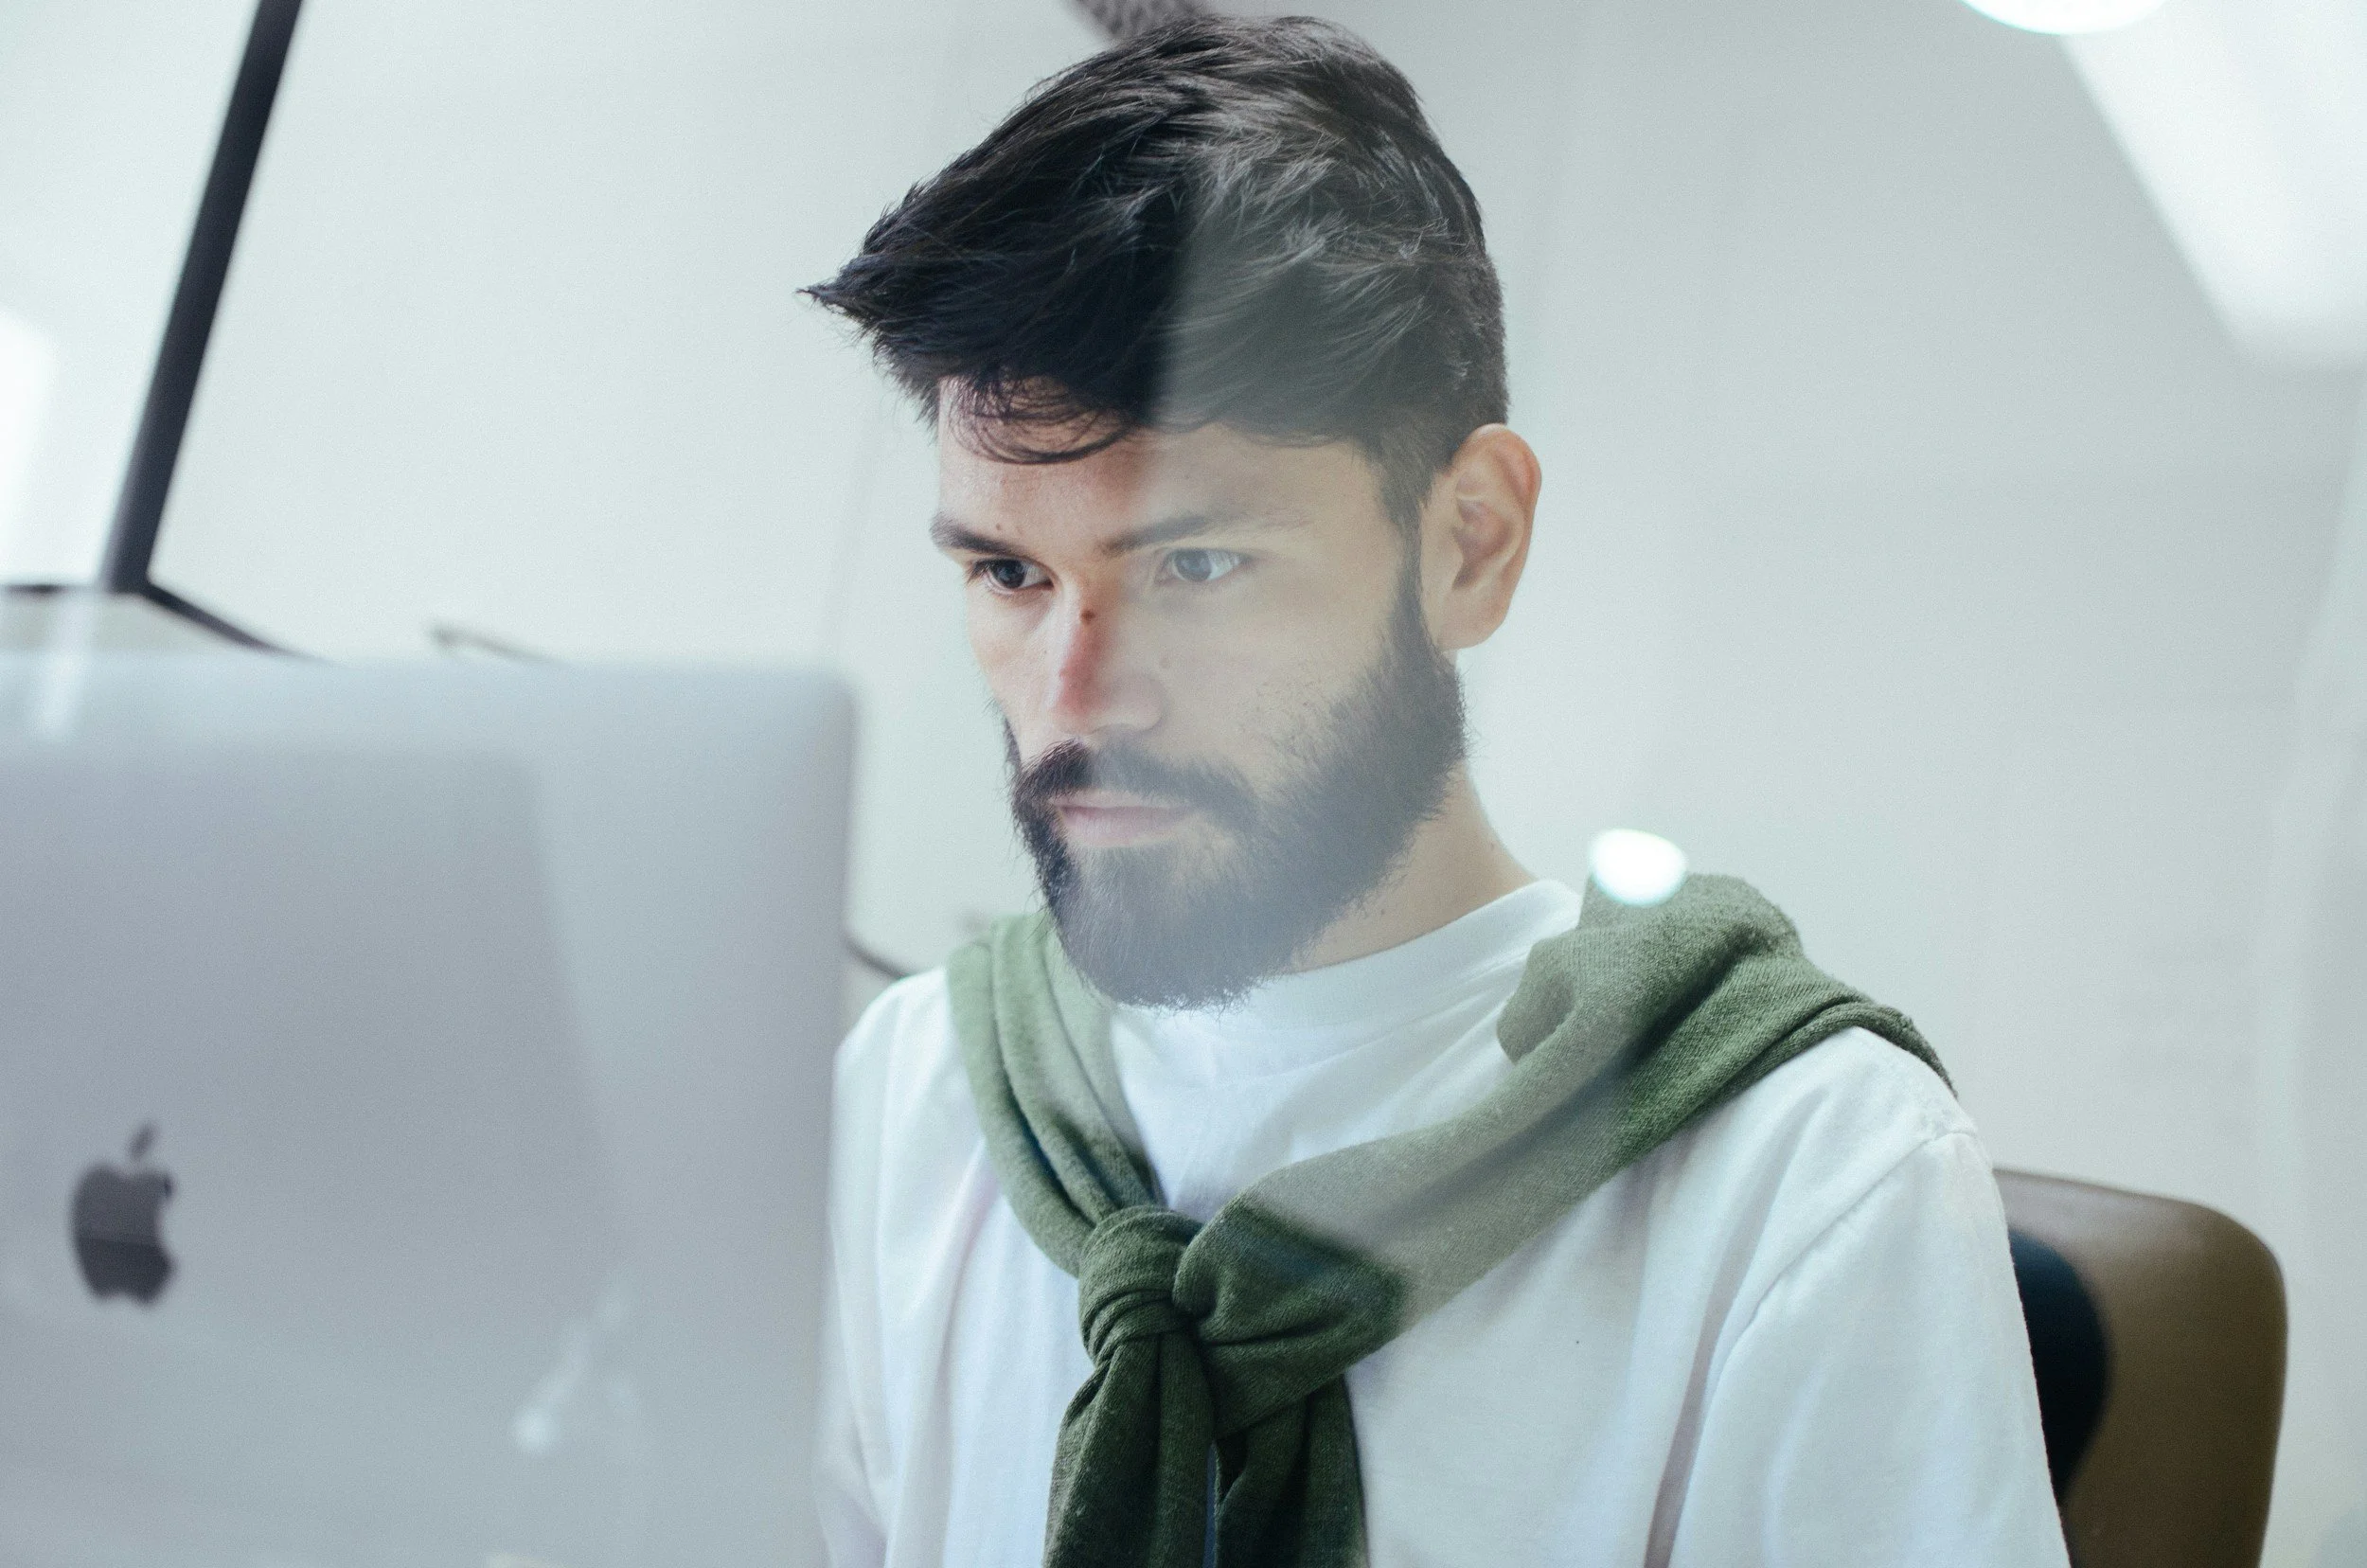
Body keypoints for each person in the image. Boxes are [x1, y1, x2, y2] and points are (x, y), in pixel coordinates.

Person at [806, 16, 2067, 1567]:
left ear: (1469, 541)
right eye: (1008, 571)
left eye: (1198, 565)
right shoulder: (913, 1095)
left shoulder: (1808, 1181)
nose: (1074, 695)